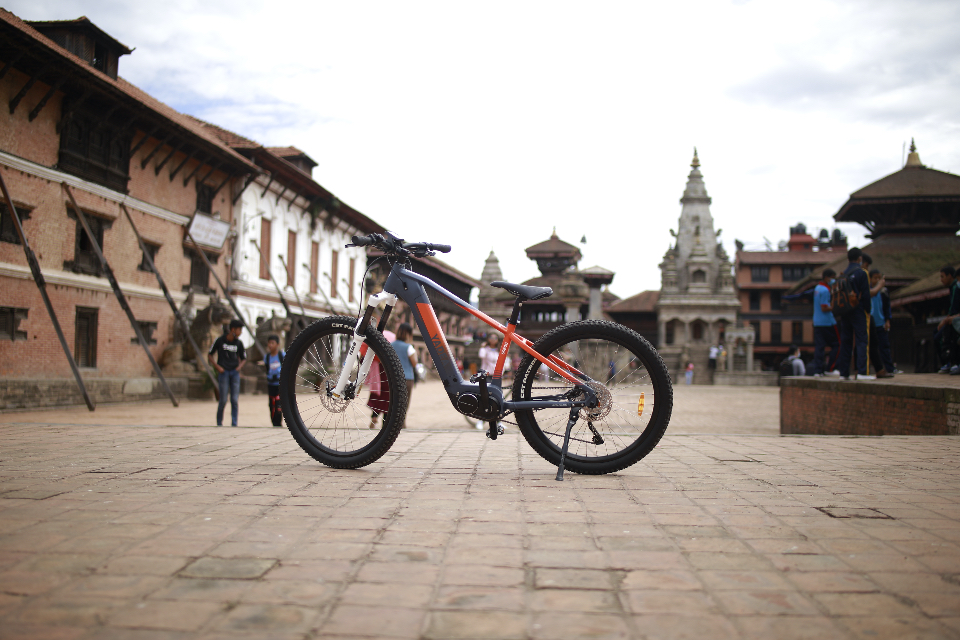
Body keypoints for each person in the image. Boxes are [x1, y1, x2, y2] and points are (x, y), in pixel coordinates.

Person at [834, 248, 877, 380]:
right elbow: (866, 295)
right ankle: (862, 372)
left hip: (845, 311)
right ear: (860, 259)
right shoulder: (862, 273)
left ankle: (844, 373)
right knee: (862, 340)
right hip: (858, 310)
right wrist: (868, 311)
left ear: (848, 259)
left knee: (846, 341)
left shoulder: (843, 274)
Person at [209, 319, 246, 426]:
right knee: (223, 400)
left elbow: (243, 358)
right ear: (233, 329)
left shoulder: (239, 343)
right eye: (239, 330)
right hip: (224, 372)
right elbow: (210, 354)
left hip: (234, 373)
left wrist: (239, 368)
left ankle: (234, 423)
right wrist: (217, 367)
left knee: (234, 400)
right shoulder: (220, 341)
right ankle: (219, 423)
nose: (240, 332)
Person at [812, 268, 840, 376]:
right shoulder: (825, 290)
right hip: (828, 322)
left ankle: (818, 370)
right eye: (832, 278)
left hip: (817, 322)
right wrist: (834, 307)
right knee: (837, 344)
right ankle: (831, 368)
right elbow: (824, 307)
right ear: (827, 277)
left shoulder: (817, 288)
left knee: (819, 347)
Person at [867, 270, 894, 378]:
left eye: (879, 278)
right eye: (875, 278)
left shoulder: (884, 291)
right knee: (872, 347)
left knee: (885, 347)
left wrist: (888, 320)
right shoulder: (868, 290)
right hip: (871, 322)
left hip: (881, 322)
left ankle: (889, 368)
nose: (877, 280)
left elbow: (887, 307)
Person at [367, 329, 395, 429]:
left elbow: (364, 362)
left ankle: (374, 417)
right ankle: (385, 425)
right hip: (388, 383)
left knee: (377, 402)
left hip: (377, 382)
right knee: (387, 404)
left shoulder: (375, 355)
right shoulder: (389, 357)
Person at [392, 323, 418, 428]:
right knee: (404, 403)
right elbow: (414, 363)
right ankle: (402, 424)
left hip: (393, 378)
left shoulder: (391, 345)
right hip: (407, 378)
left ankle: (392, 424)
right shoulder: (409, 347)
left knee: (394, 402)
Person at [936, 266, 960, 374]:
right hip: (955, 319)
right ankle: (949, 362)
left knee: (948, 337)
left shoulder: (956, 287)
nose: (941, 279)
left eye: (942, 276)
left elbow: (954, 309)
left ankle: (952, 362)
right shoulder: (953, 287)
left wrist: (950, 318)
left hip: (956, 320)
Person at [476, 334, 501, 429]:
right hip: (487, 376)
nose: (493, 340)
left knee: (498, 398)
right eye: (491, 338)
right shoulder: (485, 349)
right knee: (485, 398)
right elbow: (481, 355)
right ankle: (481, 420)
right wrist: (482, 347)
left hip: (497, 376)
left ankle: (498, 421)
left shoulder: (499, 350)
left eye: (495, 338)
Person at [263, 334, 284, 426]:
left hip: (279, 384)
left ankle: (279, 422)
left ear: (278, 344)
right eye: (269, 343)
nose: (270, 345)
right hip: (271, 384)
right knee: (271, 404)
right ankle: (274, 422)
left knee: (279, 404)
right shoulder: (267, 357)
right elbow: (267, 369)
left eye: (273, 343)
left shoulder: (282, 355)